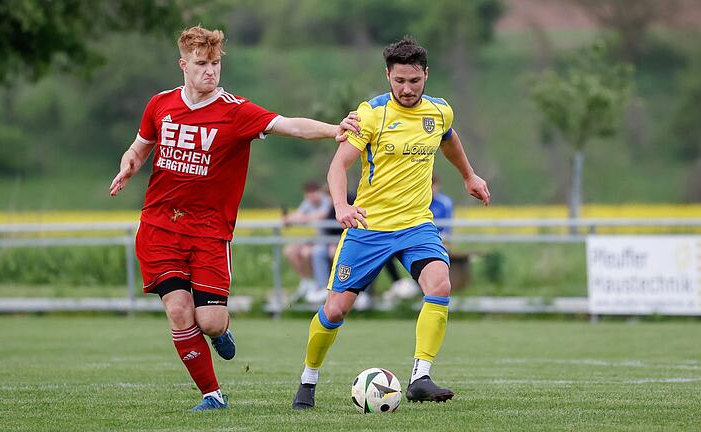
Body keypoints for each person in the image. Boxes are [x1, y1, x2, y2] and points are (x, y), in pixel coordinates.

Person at [109, 26, 357, 411]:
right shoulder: (160, 104)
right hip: (159, 227)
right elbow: (140, 147)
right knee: (178, 311)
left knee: (209, 322)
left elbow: (288, 124)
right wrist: (129, 163)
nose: (210, 71)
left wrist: (333, 130)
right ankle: (213, 395)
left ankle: (220, 331)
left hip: (209, 232)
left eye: (215, 64)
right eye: (201, 63)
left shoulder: (235, 111)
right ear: (183, 65)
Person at [292, 36, 490, 409]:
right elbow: (338, 165)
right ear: (388, 75)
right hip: (369, 226)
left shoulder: (440, 112)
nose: (407, 88)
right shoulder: (371, 114)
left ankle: (420, 377)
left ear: (426, 75)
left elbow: (448, 140)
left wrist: (469, 176)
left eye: (414, 81)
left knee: (440, 284)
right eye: (399, 81)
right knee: (335, 310)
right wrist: (339, 205)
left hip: (416, 224)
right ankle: (308, 379)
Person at [283, 181, 332, 302]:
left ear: (319, 192)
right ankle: (306, 281)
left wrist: (301, 219)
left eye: (313, 193)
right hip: (315, 238)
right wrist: (289, 219)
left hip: (328, 238)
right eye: (308, 194)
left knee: (307, 252)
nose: (311, 197)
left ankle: (317, 284)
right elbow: (298, 215)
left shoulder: (327, 201)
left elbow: (322, 215)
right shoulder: (307, 203)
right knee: (289, 251)